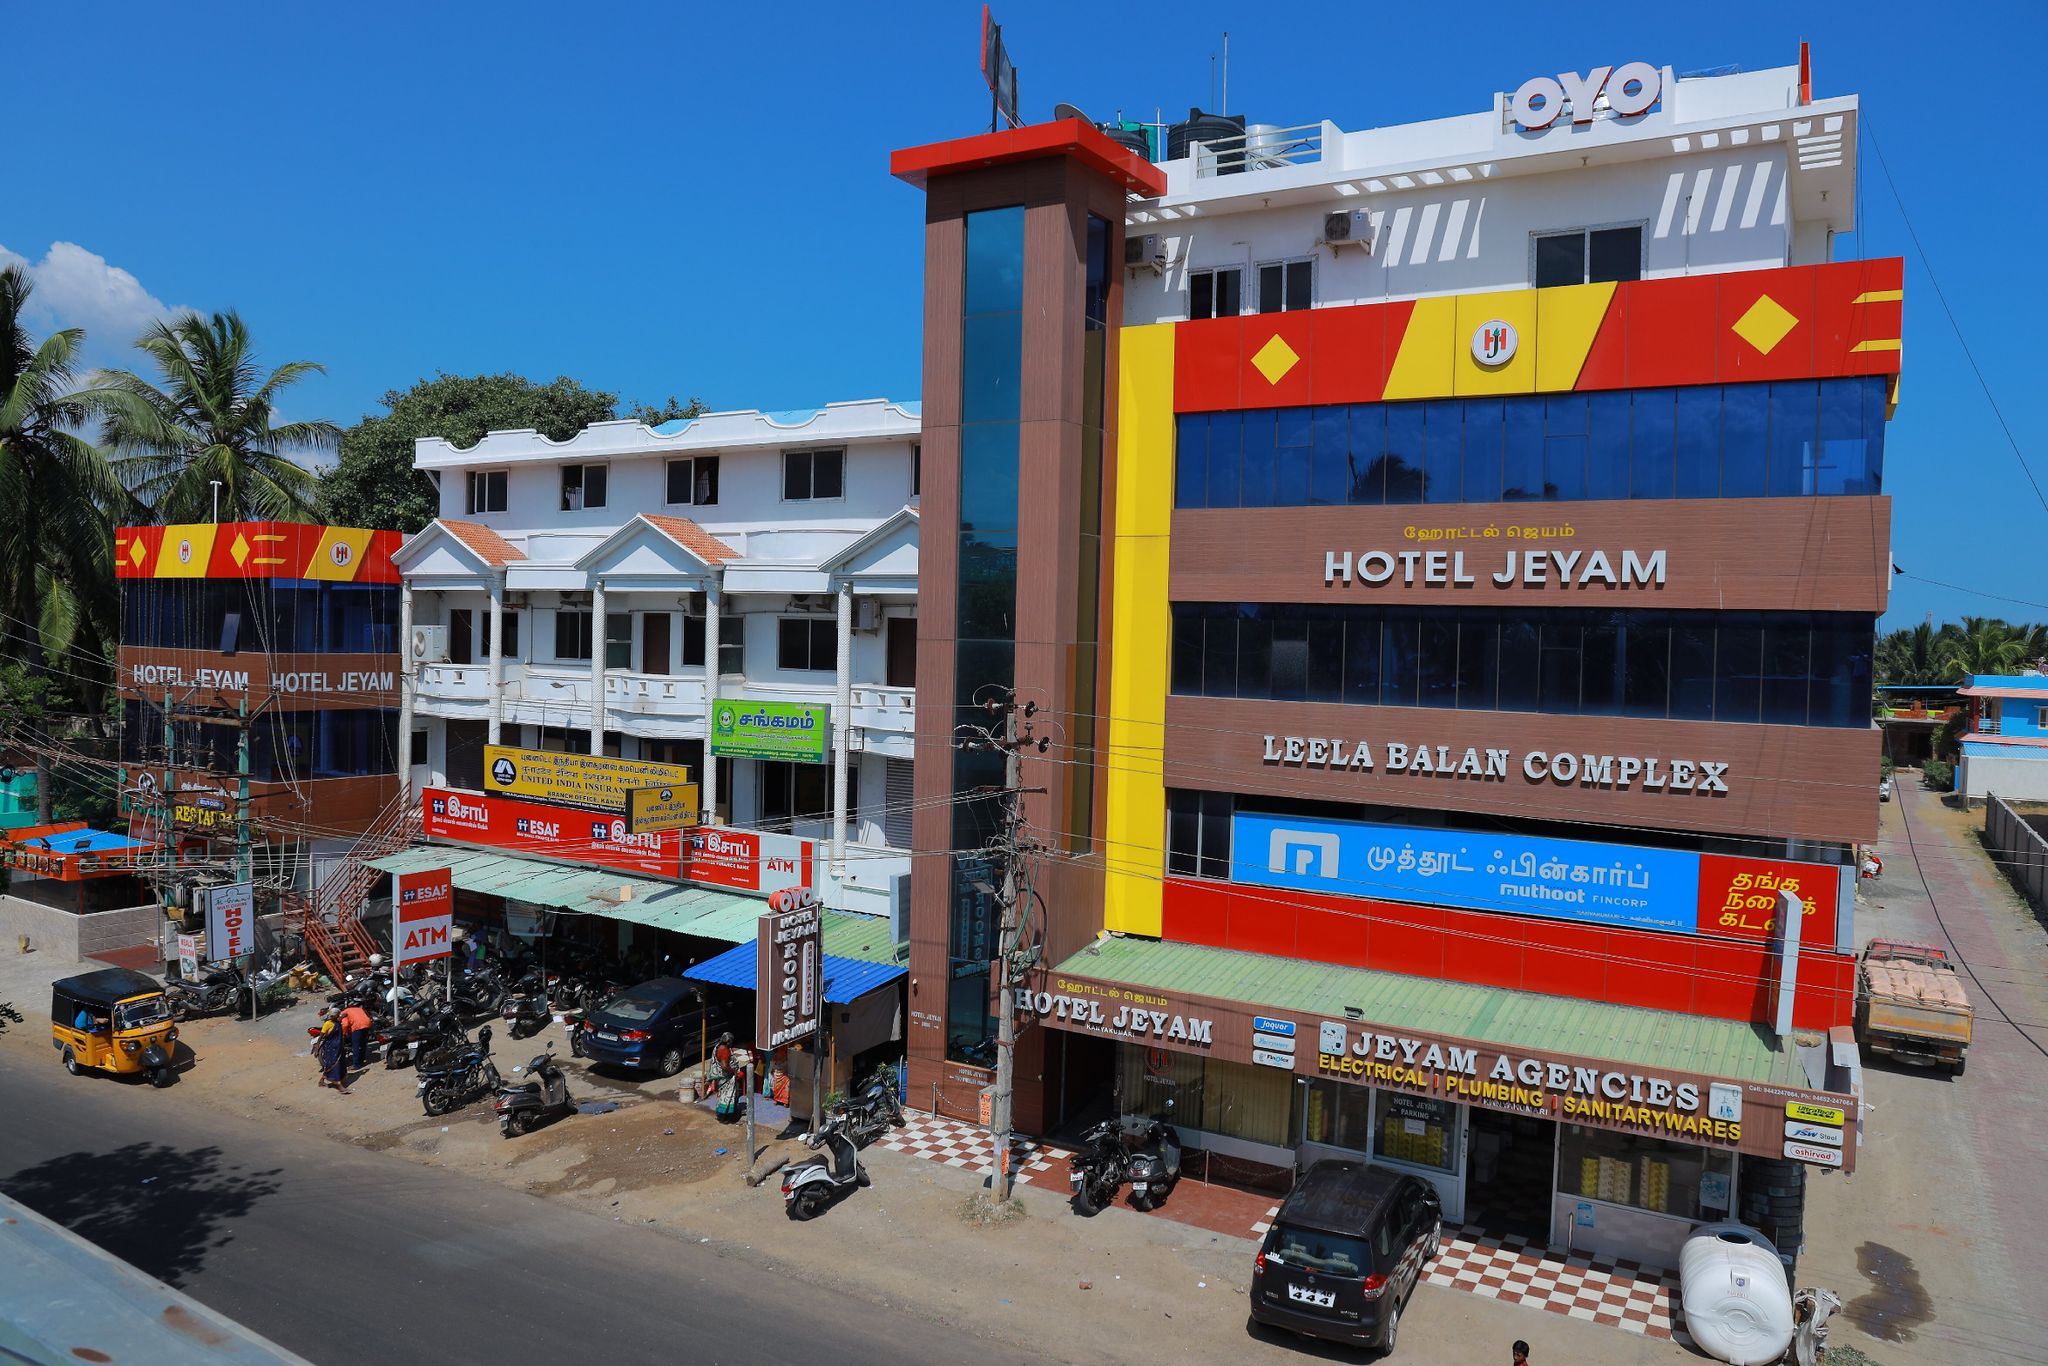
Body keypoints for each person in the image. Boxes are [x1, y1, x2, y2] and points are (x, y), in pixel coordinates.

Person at [340, 1002, 373, 1070]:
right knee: (363, 1043)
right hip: (367, 1024)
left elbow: (345, 1024)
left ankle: (356, 1065)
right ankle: (362, 1060)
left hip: (358, 1026)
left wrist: (343, 1034)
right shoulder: (359, 1009)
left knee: (356, 1046)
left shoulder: (344, 1012)